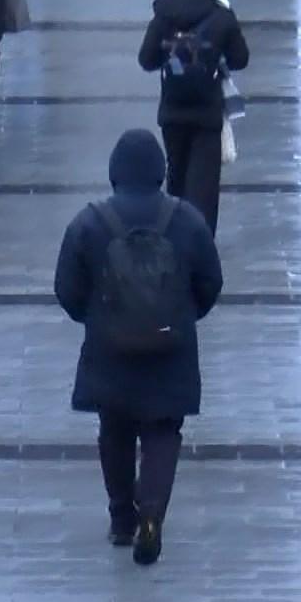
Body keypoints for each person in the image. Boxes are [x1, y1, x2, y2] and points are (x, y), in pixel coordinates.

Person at [53, 130, 223, 566]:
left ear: (115, 173)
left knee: (115, 431)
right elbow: (210, 283)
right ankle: (152, 514)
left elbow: (67, 290)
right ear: (161, 172)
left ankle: (121, 519)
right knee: (164, 433)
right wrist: (182, 316)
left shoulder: (90, 222)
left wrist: (97, 319)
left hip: (110, 352)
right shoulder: (186, 220)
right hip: (171, 351)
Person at [136, 0, 249, 236]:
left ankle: (174, 240)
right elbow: (240, 58)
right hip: (207, 114)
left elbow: (146, 60)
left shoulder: (164, 15)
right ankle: (199, 243)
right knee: (204, 188)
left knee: (176, 178)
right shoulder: (221, 15)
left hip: (172, 113)